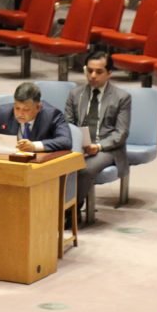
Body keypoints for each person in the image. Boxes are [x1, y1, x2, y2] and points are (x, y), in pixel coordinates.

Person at [65, 51, 131, 214]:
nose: (93, 76)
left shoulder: (122, 97)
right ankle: (59, 206)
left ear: (109, 73)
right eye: (90, 71)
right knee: (57, 166)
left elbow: (121, 133)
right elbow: (68, 125)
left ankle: (71, 211)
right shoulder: (75, 94)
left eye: (99, 72)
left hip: (107, 149)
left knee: (85, 169)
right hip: (79, 146)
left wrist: (99, 146)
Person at [0, 82, 71, 152]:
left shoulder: (52, 115)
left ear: (38, 107)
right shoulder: (4, 112)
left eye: (26, 110)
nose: (20, 114)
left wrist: (34, 146)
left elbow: (65, 141)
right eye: (17, 108)